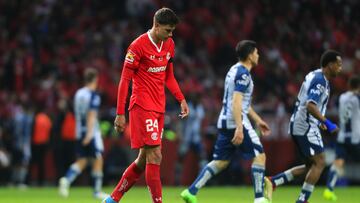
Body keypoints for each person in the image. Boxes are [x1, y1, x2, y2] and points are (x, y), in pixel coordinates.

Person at [102, 7, 189, 203]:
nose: (170, 34)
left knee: (143, 160)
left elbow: (169, 76)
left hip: (159, 107)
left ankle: (112, 199)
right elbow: (124, 80)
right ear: (156, 25)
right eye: (167, 30)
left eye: (172, 31)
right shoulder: (137, 46)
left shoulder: (169, 45)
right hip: (142, 106)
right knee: (155, 155)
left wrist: (181, 98)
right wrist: (120, 113)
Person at [181, 40, 272, 203]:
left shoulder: (234, 70)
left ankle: (191, 191)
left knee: (220, 162)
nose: (258, 56)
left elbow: (243, 103)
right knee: (259, 156)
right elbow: (236, 102)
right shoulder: (243, 74)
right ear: (250, 55)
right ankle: (259, 199)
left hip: (224, 121)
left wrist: (258, 120)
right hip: (236, 121)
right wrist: (239, 127)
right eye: (256, 53)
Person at [265, 50, 342, 203]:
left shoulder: (316, 75)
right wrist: (327, 122)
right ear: (330, 65)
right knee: (320, 161)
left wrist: (320, 122)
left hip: (300, 124)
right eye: (338, 65)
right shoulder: (320, 81)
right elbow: (310, 106)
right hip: (305, 126)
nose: (340, 68)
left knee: (311, 165)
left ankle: (274, 181)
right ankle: (302, 200)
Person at [58, 68, 107, 199]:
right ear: (95, 79)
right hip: (90, 132)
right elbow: (91, 115)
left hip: (79, 130)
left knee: (83, 160)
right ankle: (97, 191)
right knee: (98, 159)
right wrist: (90, 134)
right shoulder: (93, 95)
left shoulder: (78, 94)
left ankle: (66, 180)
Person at [323, 75, 360, 201]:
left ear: (349, 86)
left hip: (342, 136)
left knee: (338, 162)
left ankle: (329, 189)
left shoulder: (341, 97)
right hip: (356, 138)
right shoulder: (358, 98)